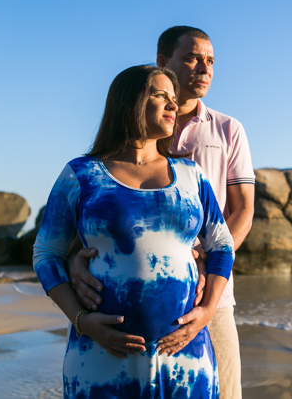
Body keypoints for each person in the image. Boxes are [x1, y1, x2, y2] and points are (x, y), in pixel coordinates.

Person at [68, 26, 254, 399]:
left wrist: (205, 263)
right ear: (162, 61)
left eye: (211, 61)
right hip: (122, 304)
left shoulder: (228, 130)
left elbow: (243, 210)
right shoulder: (131, 140)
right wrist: (74, 260)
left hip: (209, 297)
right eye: (192, 57)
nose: (204, 68)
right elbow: (95, 217)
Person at [33, 65, 234, 398]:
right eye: (160, 96)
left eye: (174, 98)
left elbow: (221, 245)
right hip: (101, 356)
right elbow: (47, 253)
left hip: (186, 355)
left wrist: (208, 310)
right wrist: (83, 321)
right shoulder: (83, 174)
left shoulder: (191, 175)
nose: (173, 105)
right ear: (129, 102)